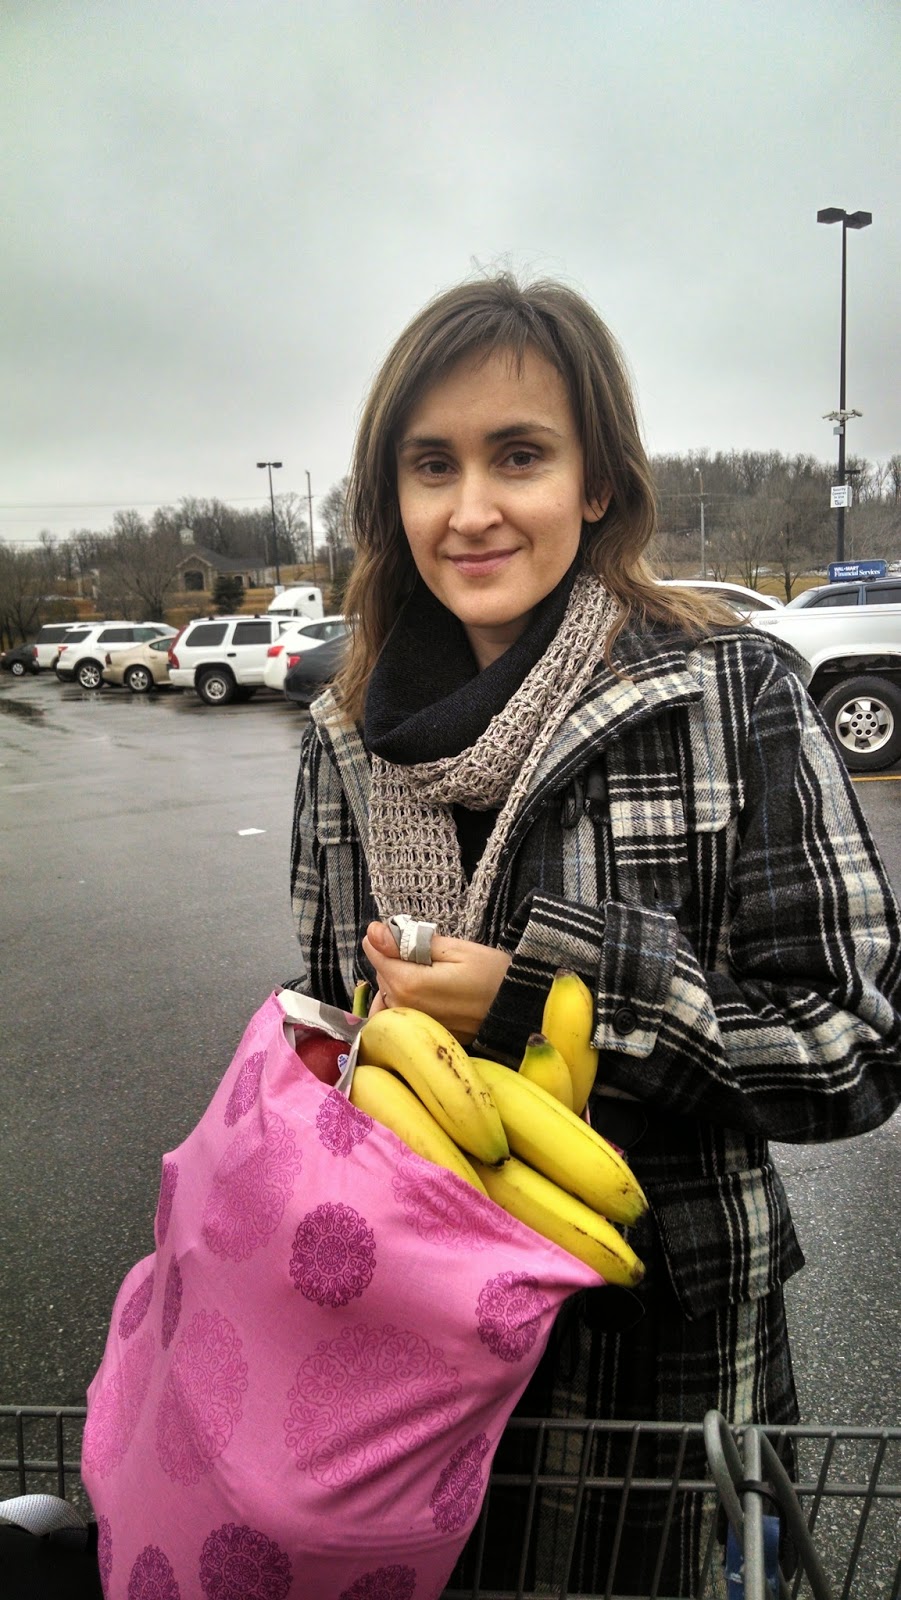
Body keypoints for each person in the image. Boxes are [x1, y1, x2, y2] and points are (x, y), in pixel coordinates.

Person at [286, 273, 901, 1593]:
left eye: (520, 455)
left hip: (660, 1372)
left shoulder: (729, 692)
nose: (471, 509)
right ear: (387, 498)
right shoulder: (340, 740)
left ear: (598, 481)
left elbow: (850, 1043)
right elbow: (326, 1037)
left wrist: (550, 1001)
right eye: (429, 465)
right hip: (401, 1368)